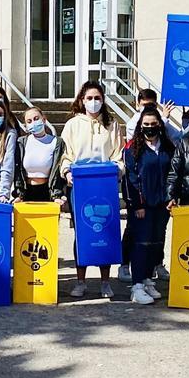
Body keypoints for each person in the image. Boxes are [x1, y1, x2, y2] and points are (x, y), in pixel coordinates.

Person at [60, 80, 125, 299]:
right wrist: (67, 171)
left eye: (97, 98)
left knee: (104, 229)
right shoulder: (72, 125)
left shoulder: (112, 123)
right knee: (84, 231)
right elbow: (66, 154)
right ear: (82, 100)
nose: (94, 102)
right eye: (89, 98)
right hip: (80, 184)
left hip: (104, 183)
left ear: (103, 100)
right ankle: (80, 281)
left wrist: (118, 171)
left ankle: (105, 281)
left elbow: (117, 154)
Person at [124, 106, 174, 305]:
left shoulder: (168, 147)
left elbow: (173, 173)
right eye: (146, 125)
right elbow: (130, 179)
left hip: (162, 204)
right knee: (141, 244)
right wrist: (137, 204)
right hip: (142, 205)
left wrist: (172, 197)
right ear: (140, 126)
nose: (150, 128)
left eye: (154, 124)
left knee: (156, 243)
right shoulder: (132, 148)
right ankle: (136, 286)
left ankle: (147, 279)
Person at [14, 107, 67, 203]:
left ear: (44, 119)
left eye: (36, 118)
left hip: (48, 193)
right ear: (26, 126)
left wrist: (58, 195)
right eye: (29, 121)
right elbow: (17, 170)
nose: (33, 123)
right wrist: (19, 194)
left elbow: (58, 169)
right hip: (26, 193)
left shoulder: (56, 142)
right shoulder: (21, 142)